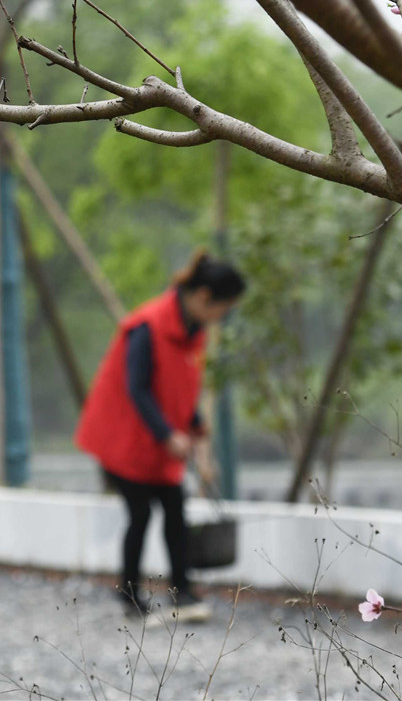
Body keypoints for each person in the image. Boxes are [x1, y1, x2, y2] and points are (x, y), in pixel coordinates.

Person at [75, 252, 246, 623]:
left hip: (162, 441)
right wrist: (167, 435)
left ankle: (182, 593)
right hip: (126, 438)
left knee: (174, 513)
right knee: (140, 514)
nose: (222, 317)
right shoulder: (147, 326)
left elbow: (183, 392)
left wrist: (198, 439)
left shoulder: (194, 333)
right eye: (224, 308)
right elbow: (136, 388)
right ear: (204, 296)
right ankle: (130, 595)